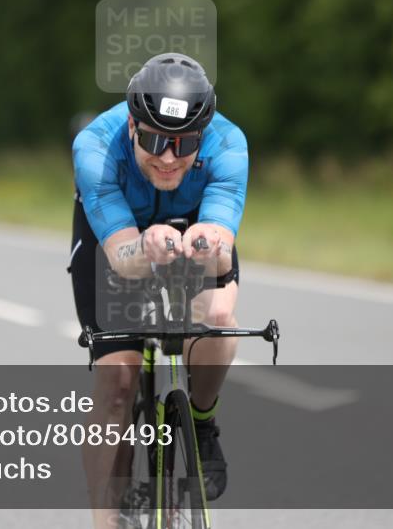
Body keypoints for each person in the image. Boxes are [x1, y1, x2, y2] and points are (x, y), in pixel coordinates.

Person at [70, 53, 247, 523]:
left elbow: (222, 250)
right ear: (131, 124)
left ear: (204, 135)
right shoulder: (96, 147)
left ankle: (203, 423)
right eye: (152, 141)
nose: (168, 158)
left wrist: (207, 242)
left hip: (192, 225)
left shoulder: (229, 144)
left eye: (184, 144)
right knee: (117, 384)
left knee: (218, 318)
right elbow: (122, 260)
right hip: (118, 237)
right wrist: (147, 248)